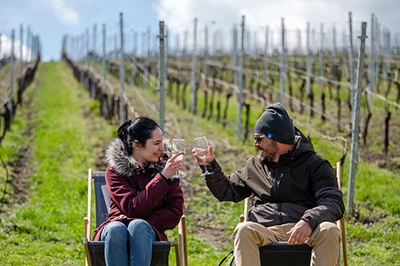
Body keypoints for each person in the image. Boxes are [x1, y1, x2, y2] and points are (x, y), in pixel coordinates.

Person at [192, 102, 344, 266]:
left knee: (329, 230)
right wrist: (210, 166)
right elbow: (226, 191)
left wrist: (308, 221)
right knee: (243, 230)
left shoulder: (315, 165)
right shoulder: (255, 166)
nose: (255, 144)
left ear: (275, 138)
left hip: (306, 232)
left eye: (259, 138)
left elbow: (333, 202)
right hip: (266, 232)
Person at [93, 117, 184, 266]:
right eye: (156, 143)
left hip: (148, 232)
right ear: (137, 144)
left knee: (138, 227)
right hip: (114, 231)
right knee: (116, 228)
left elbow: (174, 213)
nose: (162, 148)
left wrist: (140, 221)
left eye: (162, 141)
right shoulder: (115, 172)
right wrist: (161, 179)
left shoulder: (167, 170)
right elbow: (132, 207)